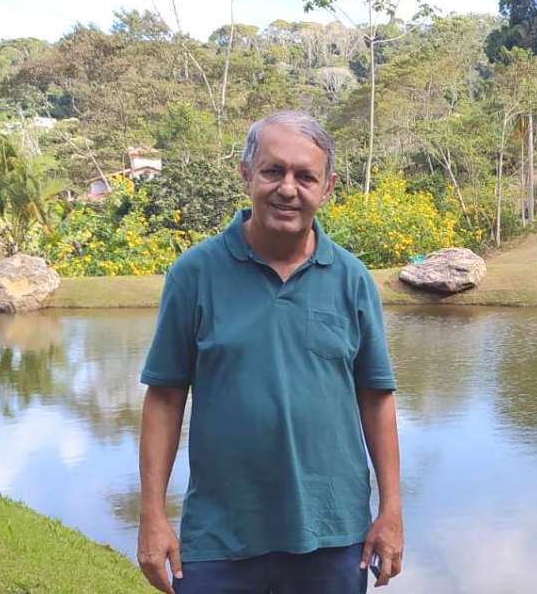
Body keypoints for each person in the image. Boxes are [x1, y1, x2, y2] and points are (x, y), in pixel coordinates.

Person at [137, 111, 402, 594]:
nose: (288, 188)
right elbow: (165, 398)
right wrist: (152, 516)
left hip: (334, 534)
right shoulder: (194, 274)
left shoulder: (352, 280)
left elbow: (376, 397)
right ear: (246, 175)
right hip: (220, 537)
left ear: (328, 188)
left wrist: (391, 512)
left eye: (305, 176)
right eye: (273, 171)